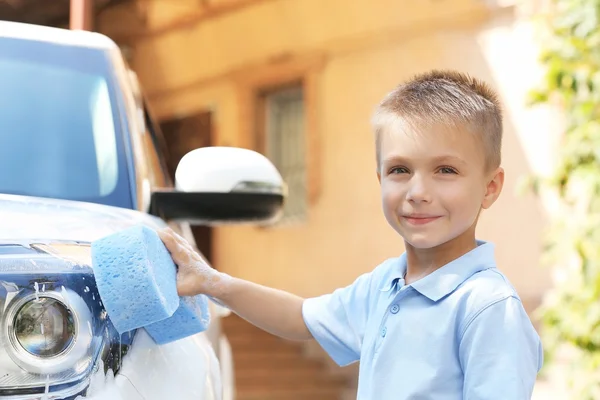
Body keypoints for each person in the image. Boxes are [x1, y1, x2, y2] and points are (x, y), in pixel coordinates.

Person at [158, 69, 543, 399]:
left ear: (490, 187)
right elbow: (299, 317)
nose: (418, 192)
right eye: (399, 170)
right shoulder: (383, 286)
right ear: (380, 179)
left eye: (445, 170)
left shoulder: (488, 308)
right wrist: (211, 282)